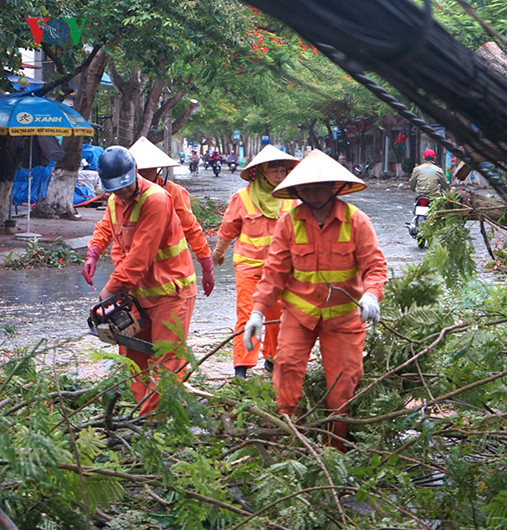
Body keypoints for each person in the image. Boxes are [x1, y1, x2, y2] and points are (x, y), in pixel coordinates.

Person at [243, 149, 388, 451]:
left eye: (320, 185)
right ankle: (287, 448)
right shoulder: (290, 223)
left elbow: (374, 266)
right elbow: (274, 273)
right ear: (297, 190)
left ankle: (334, 452)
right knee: (286, 377)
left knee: (342, 389)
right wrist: (257, 312)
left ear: (334, 186)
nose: (314, 191)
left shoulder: (355, 220)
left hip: (345, 320)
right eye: (306, 187)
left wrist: (372, 294)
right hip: (299, 316)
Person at [93, 146, 198, 415]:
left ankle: (156, 423)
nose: (123, 193)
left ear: (135, 174)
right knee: (133, 357)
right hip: (137, 295)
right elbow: (119, 247)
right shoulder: (114, 202)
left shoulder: (157, 199)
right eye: (116, 189)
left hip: (170, 293)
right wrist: (97, 257)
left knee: (167, 359)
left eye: (126, 187)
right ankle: (143, 415)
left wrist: (108, 291)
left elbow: (140, 258)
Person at [82, 137, 215, 298]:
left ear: (157, 169)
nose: (142, 175)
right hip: (132, 282)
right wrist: (93, 254)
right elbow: (105, 228)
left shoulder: (170, 194)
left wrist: (206, 265)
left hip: (167, 285)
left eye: (148, 170)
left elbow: (191, 229)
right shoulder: (119, 197)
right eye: (139, 171)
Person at [211, 145, 300, 379]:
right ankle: (242, 366)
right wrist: (218, 253)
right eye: (275, 172)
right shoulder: (241, 197)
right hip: (249, 268)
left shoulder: (292, 198)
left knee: (278, 314)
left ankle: (273, 359)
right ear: (261, 172)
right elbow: (227, 230)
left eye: (283, 171)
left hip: (280, 271)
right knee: (248, 314)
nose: (280, 176)